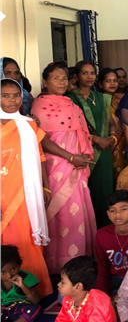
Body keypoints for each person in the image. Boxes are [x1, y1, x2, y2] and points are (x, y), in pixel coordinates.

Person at [31, 62, 97, 274]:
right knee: (59, 214)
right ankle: (55, 264)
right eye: (55, 78)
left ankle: (78, 263)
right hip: (56, 166)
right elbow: (41, 140)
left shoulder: (71, 103)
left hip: (77, 166)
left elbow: (81, 133)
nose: (61, 82)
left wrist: (81, 157)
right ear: (45, 81)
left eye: (64, 78)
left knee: (77, 213)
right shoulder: (39, 105)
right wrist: (70, 157)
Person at [1, 79, 52, 298]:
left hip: (25, 195)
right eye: (5, 95)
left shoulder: (29, 124)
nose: (12, 100)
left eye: (15, 95)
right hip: (2, 193)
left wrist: (46, 188)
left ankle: (32, 289)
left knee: (27, 239)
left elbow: (40, 158)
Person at [68, 61, 117, 227]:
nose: (89, 77)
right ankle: (90, 233)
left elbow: (111, 123)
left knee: (105, 191)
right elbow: (70, 130)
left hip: (104, 153)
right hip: (84, 151)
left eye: (92, 73)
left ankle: (107, 229)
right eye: (85, 73)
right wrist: (96, 139)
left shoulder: (101, 98)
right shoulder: (70, 98)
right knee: (89, 191)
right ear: (76, 76)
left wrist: (111, 138)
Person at [94, 190, 128, 294]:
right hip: (114, 280)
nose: (117, 214)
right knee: (63, 297)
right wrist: (104, 296)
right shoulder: (101, 234)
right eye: (112, 211)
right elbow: (101, 267)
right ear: (108, 214)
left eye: (123, 209)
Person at [56, 256, 116, 322]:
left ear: (78, 286)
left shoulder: (97, 305)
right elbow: (62, 319)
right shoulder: (68, 299)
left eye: (63, 282)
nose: (58, 284)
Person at [98, 68, 126, 180]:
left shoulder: (123, 100)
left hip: (123, 143)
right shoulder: (97, 101)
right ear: (100, 84)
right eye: (108, 81)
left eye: (115, 80)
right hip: (105, 143)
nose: (112, 84)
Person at [1, 245, 42, 321]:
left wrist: (23, 286)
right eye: (3, 272)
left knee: (35, 309)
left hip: (20, 309)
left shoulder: (27, 277)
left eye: (13, 269)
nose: (9, 275)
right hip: (2, 309)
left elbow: (36, 300)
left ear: (20, 264)